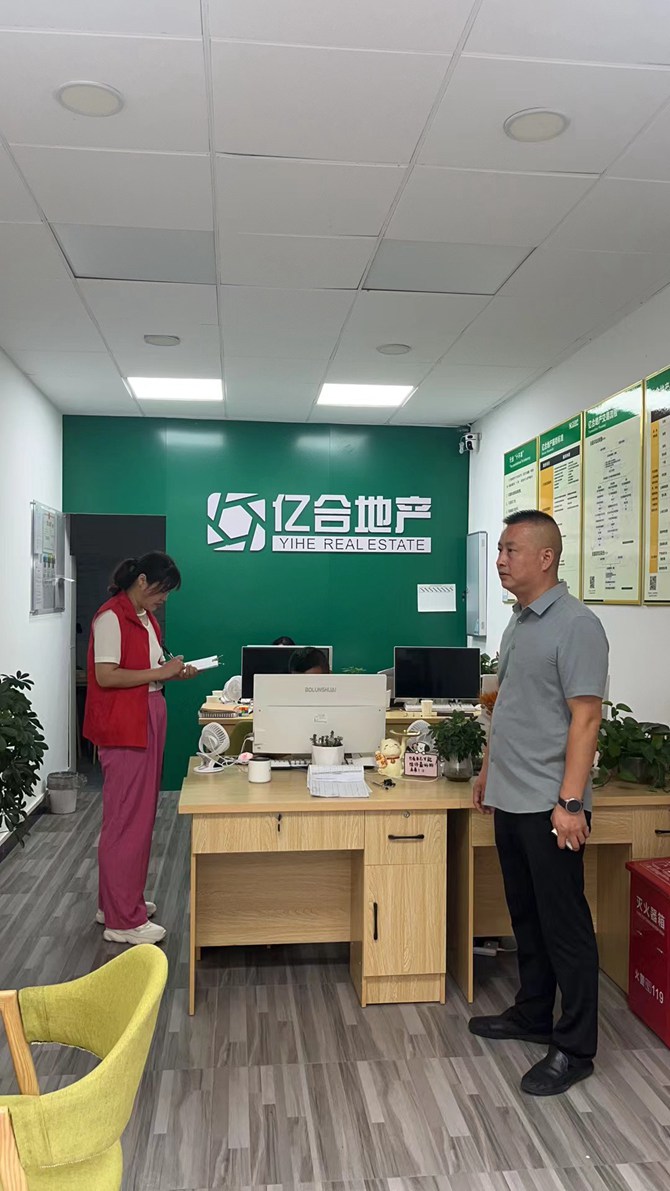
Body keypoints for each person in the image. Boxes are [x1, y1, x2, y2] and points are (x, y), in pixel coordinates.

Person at [468, 510, 608, 1096]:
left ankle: (575, 1048)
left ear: (546, 558)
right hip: (511, 796)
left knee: (564, 925)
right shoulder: (519, 621)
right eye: (500, 550)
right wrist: (487, 770)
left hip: (552, 804)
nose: (500, 560)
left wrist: (570, 803)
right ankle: (532, 1013)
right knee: (524, 915)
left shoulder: (577, 625)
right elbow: (508, 704)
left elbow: (586, 717)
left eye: (511, 550)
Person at [83, 552, 197, 946]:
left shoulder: (145, 617)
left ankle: (117, 902)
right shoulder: (111, 617)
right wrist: (160, 672)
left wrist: (172, 672)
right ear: (143, 580)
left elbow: (150, 668)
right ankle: (122, 920)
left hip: (147, 713)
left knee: (137, 817)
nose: (164, 599)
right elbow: (106, 675)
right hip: (125, 723)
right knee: (127, 821)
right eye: (162, 590)